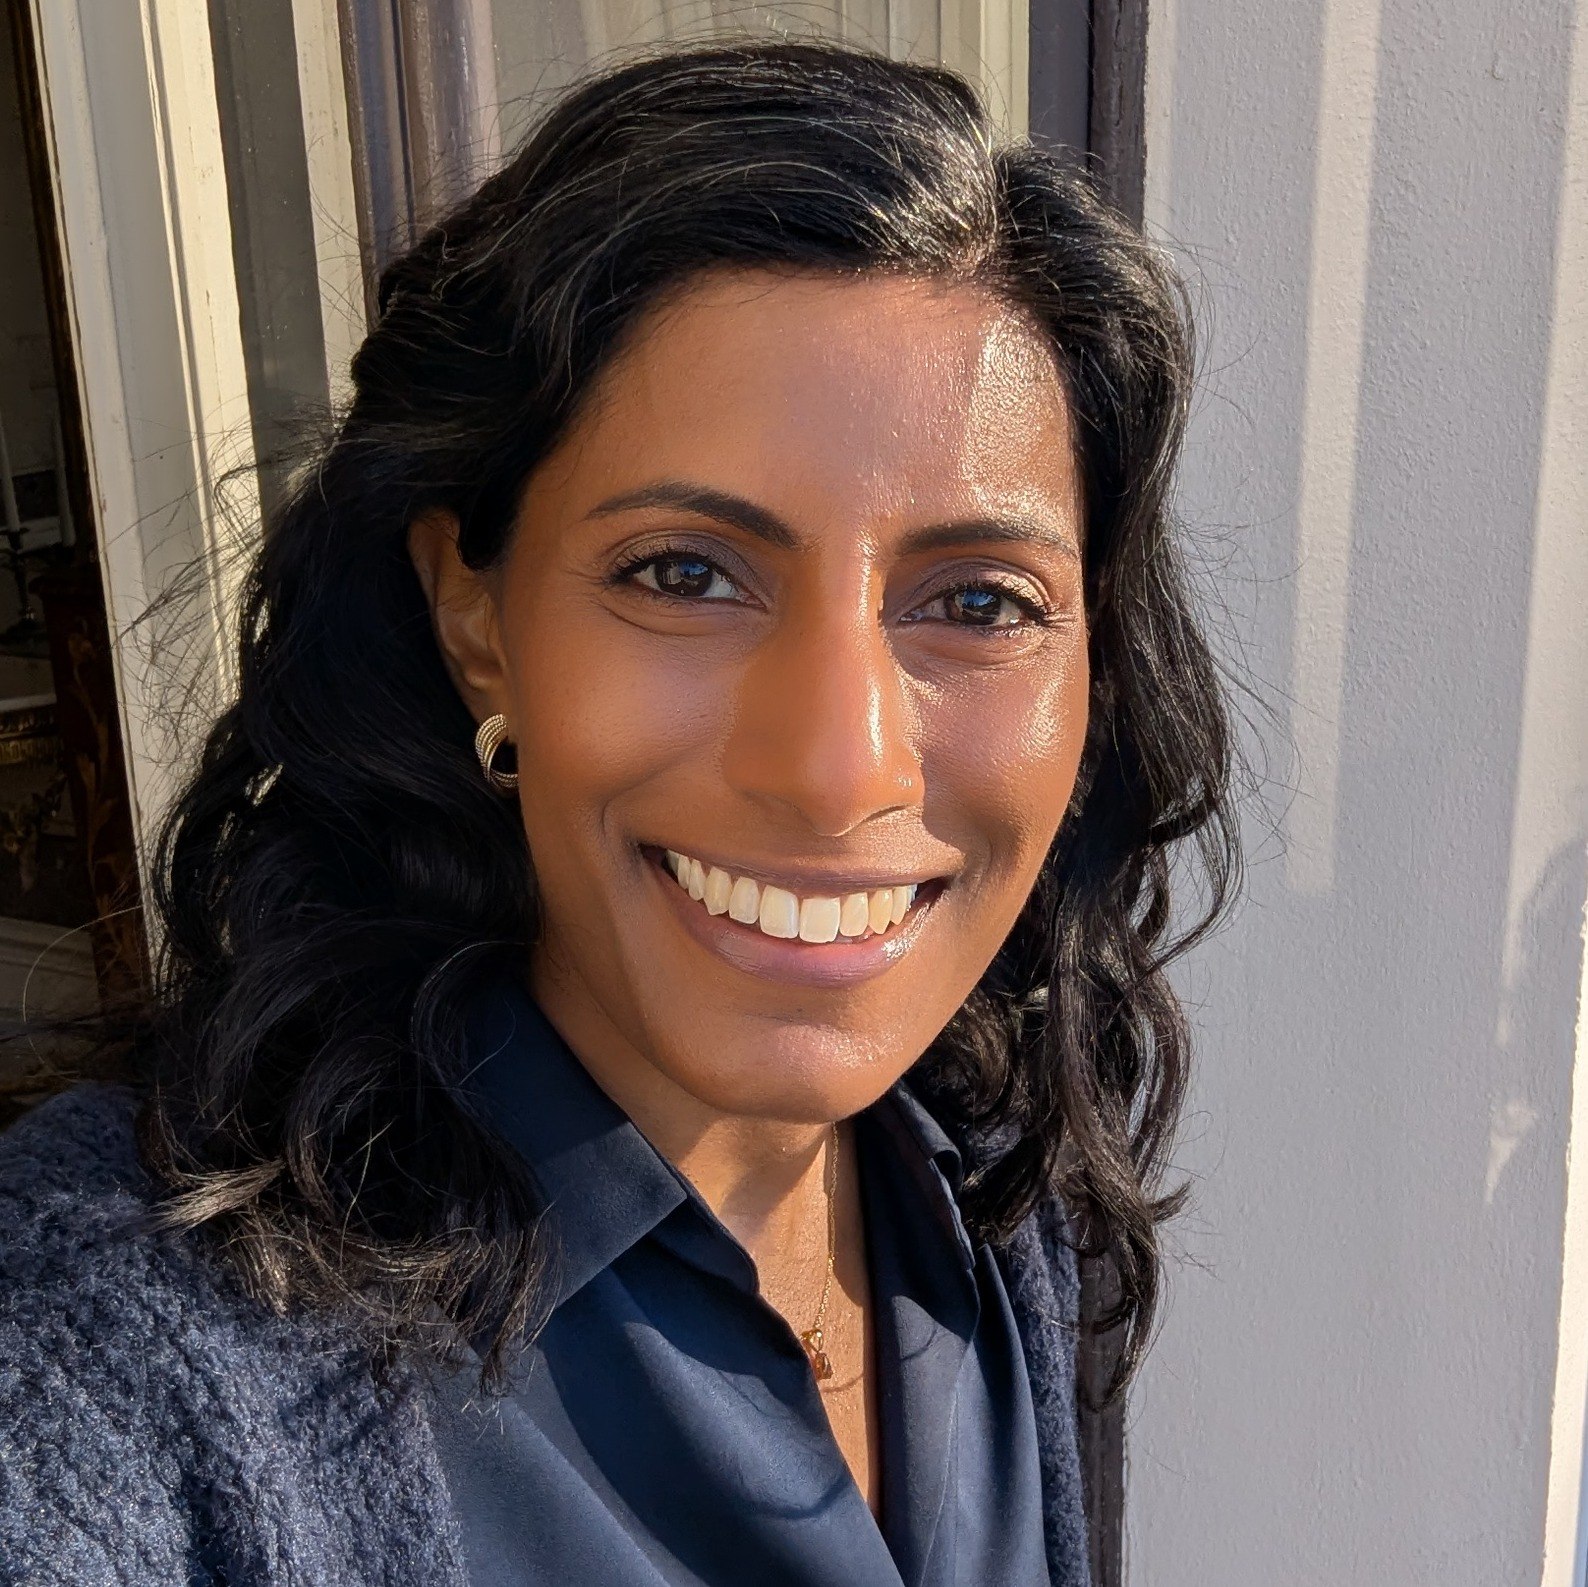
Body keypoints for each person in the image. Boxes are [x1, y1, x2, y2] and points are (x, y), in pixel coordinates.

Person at [0, 38, 1236, 1587]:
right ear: (475, 615)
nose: (839, 766)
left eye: (979, 600)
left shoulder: (983, 1171)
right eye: (685, 574)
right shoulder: (111, 1363)